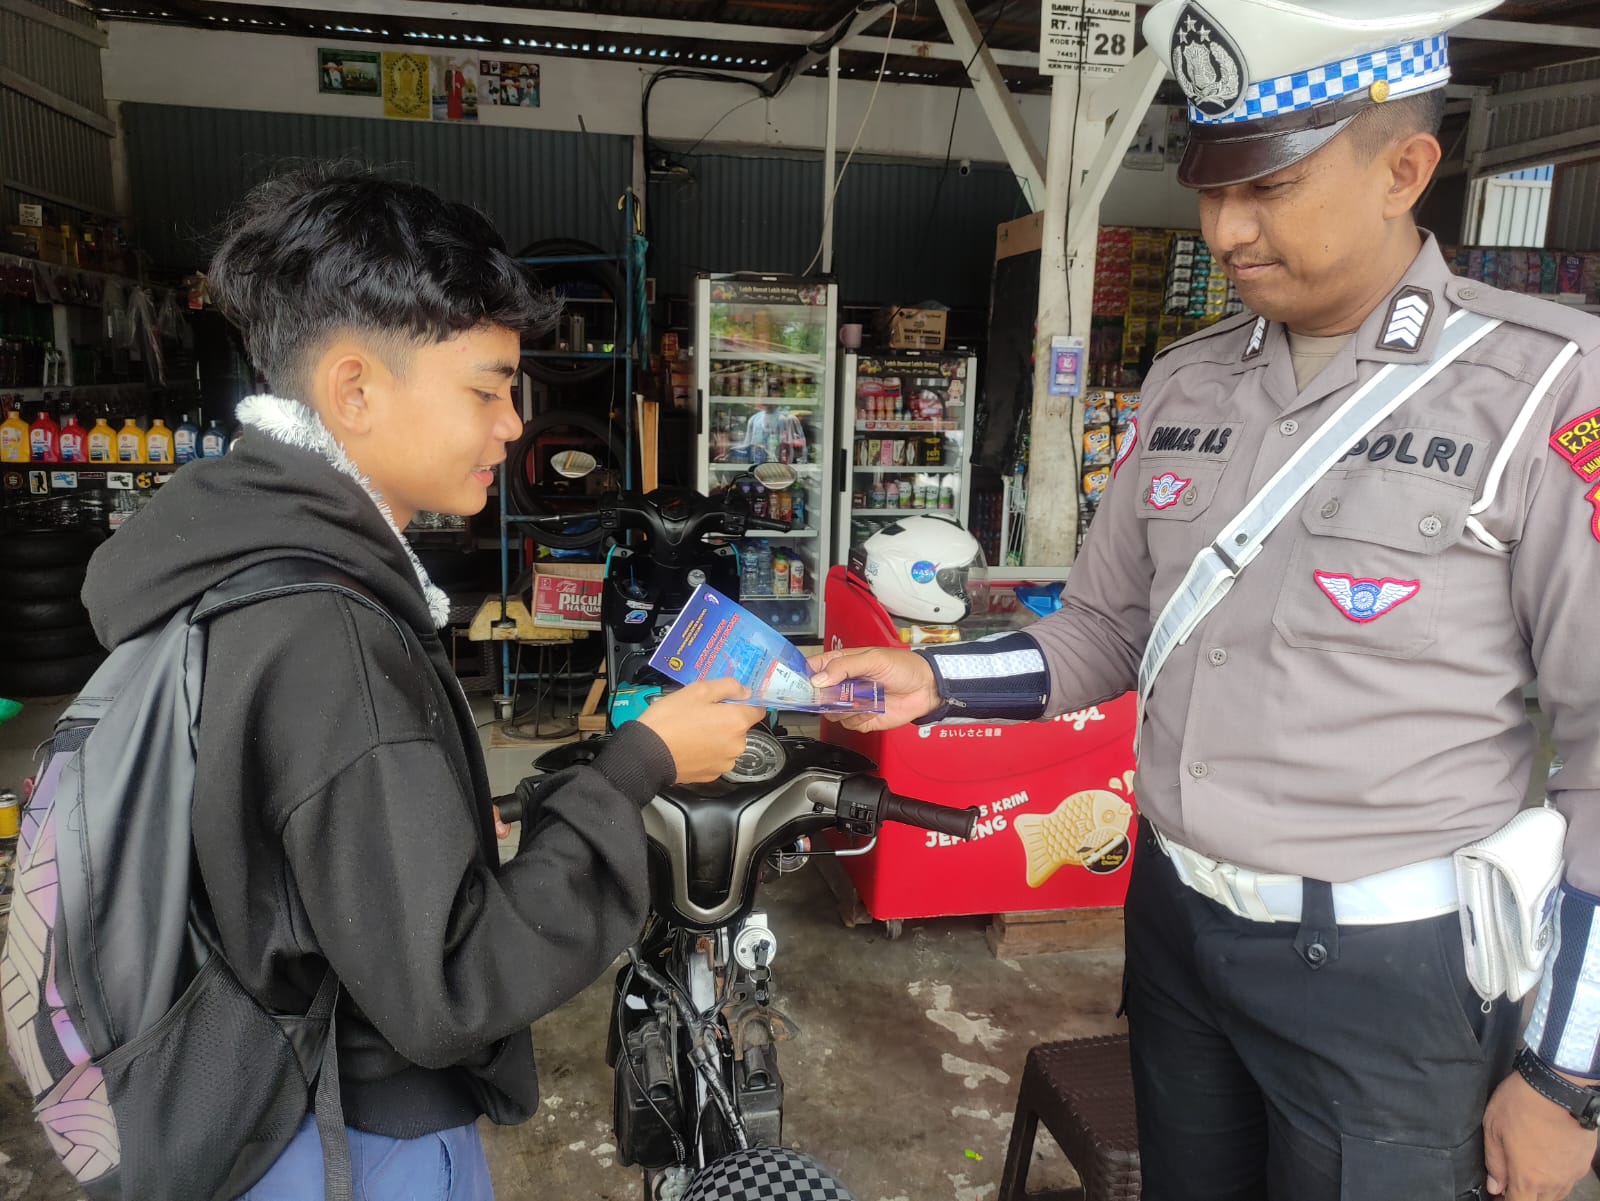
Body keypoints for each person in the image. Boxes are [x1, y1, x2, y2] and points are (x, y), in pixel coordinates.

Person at [811, 2, 1600, 1198]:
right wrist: (930, 678)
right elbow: (1107, 628)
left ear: (1404, 168)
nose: (1224, 228)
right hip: (1177, 926)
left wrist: (1563, 1079)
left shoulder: (1544, 393)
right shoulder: (1189, 381)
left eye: (1268, 187)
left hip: (1390, 977)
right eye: (1210, 187)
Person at [82, 165, 764, 1200]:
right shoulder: (330, 638)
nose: (513, 424)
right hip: (347, 1140)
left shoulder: (225, 549)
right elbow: (455, 980)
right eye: (486, 387)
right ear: (353, 388)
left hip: (247, 1104)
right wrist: (640, 764)